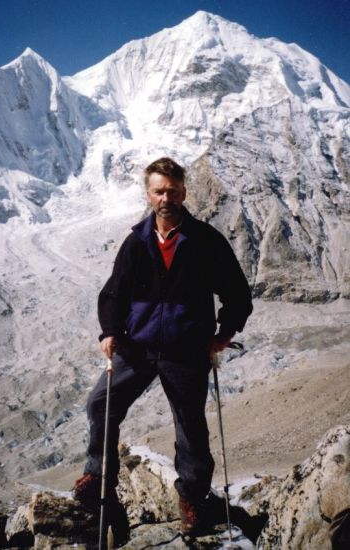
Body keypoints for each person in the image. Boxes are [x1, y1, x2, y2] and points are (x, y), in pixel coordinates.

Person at [73, 157, 253, 536]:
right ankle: (98, 479)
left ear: (184, 192)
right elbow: (113, 293)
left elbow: (236, 291)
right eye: (159, 191)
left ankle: (191, 498)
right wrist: (108, 332)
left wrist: (225, 331)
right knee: (101, 404)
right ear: (149, 193)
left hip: (186, 348)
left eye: (172, 190)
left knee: (190, 427)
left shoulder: (205, 241)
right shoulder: (137, 241)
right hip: (136, 345)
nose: (166, 197)